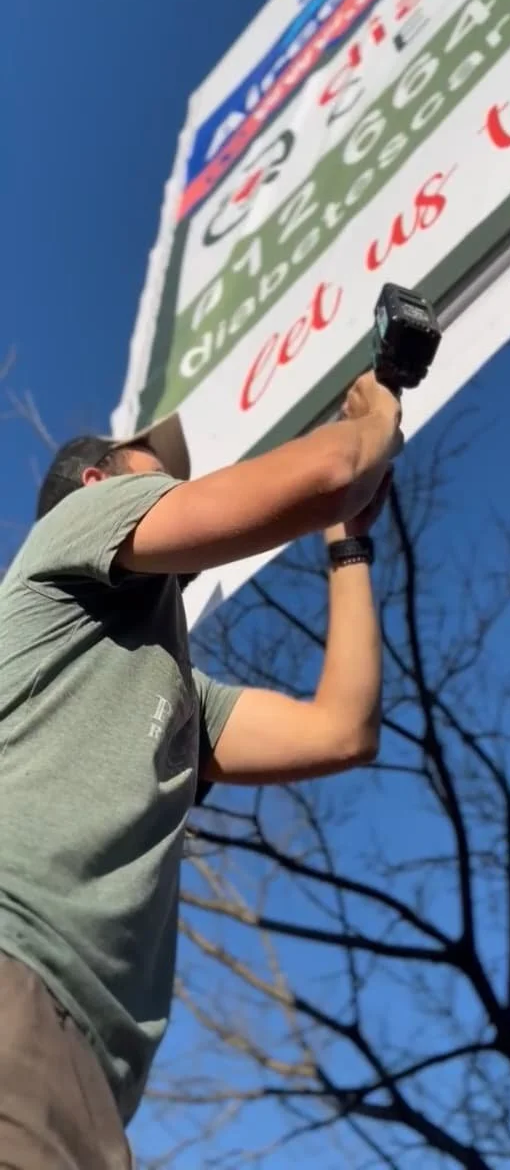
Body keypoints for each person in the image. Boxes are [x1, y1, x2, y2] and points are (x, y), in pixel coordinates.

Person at [0, 370, 401, 1169]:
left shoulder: (182, 694)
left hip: (93, 1070)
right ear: (96, 480)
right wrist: (377, 418)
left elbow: (342, 730)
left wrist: (347, 542)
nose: (176, 476)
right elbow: (326, 472)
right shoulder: (82, 519)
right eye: (153, 461)